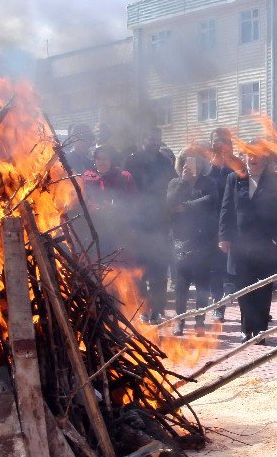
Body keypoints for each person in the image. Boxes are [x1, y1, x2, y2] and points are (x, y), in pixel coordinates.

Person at [218, 145, 277, 340]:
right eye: (249, 155)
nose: (253, 158)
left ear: (264, 159)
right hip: (240, 243)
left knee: (263, 287)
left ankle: (260, 330)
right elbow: (226, 209)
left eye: (257, 155)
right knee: (243, 286)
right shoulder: (234, 178)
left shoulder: (275, 180)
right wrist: (223, 236)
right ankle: (246, 328)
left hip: (265, 243)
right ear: (244, 157)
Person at [124, 127, 176, 322]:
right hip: (138, 224)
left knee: (159, 269)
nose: (154, 141)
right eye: (150, 137)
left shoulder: (165, 162)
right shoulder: (132, 160)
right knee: (139, 269)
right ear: (143, 138)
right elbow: (125, 191)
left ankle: (157, 309)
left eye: (157, 138)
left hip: (160, 223)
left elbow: (173, 187)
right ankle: (142, 307)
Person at [166, 146, 218, 336]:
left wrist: (186, 207)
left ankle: (200, 321)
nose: (190, 163)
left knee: (202, 283)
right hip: (180, 240)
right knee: (181, 284)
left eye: (194, 159)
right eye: (186, 159)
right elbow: (169, 205)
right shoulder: (175, 183)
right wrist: (183, 182)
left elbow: (210, 200)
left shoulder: (209, 182)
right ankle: (179, 321)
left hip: (203, 239)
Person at [80, 145, 137, 263]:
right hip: (95, 228)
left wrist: (118, 208)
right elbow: (82, 201)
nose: (102, 162)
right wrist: (96, 208)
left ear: (111, 160)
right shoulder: (87, 178)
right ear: (94, 161)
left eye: (105, 158)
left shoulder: (124, 177)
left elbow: (133, 201)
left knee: (119, 262)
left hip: (120, 228)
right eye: (98, 159)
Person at [207, 129, 240, 321]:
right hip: (211, 224)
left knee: (237, 266)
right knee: (216, 266)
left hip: (233, 223)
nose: (220, 147)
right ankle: (218, 305)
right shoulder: (206, 167)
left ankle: (252, 306)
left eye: (224, 143)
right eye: (216, 144)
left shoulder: (237, 165)